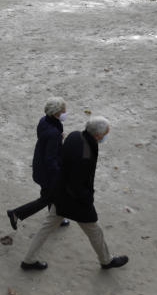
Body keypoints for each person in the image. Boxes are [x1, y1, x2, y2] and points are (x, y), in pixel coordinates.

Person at [19, 116, 128, 271]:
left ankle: (28, 260)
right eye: (105, 134)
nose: (105, 137)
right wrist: (87, 200)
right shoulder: (86, 154)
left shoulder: (75, 135)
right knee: (94, 230)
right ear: (97, 135)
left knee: (47, 227)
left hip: (60, 194)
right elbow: (78, 184)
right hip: (74, 200)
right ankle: (106, 261)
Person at [6, 98, 71, 230]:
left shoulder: (44, 121)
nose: (65, 113)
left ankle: (57, 219)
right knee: (48, 197)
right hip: (47, 171)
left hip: (39, 164)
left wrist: (59, 137)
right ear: (56, 113)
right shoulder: (54, 133)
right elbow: (50, 159)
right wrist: (60, 174)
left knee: (50, 195)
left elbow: (45, 139)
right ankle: (16, 213)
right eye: (63, 111)